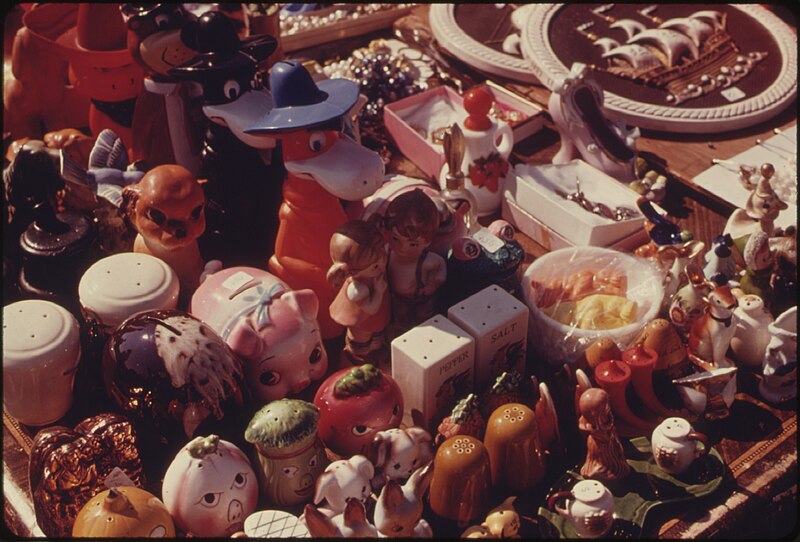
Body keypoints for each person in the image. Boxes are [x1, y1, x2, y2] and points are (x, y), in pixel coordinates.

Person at [383, 190, 447, 336]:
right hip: (396, 299)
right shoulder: (387, 253)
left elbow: (441, 269)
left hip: (422, 300)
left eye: (413, 244)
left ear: (428, 241)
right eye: (395, 239)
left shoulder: (428, 261)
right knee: (399, 321)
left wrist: (433, 284)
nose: (402, 249)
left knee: (425, 321)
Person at [328, 219, 391, 364]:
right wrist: (379, 291)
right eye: (375, 267)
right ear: (353, 272)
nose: (382, 265)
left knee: (376, 340)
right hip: (362, 321)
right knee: (362, 343)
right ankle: (356, 359)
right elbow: (370, 308)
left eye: (382, 258)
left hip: (376, 319)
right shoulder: (357, 290)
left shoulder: (374, 272)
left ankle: (375, 353)